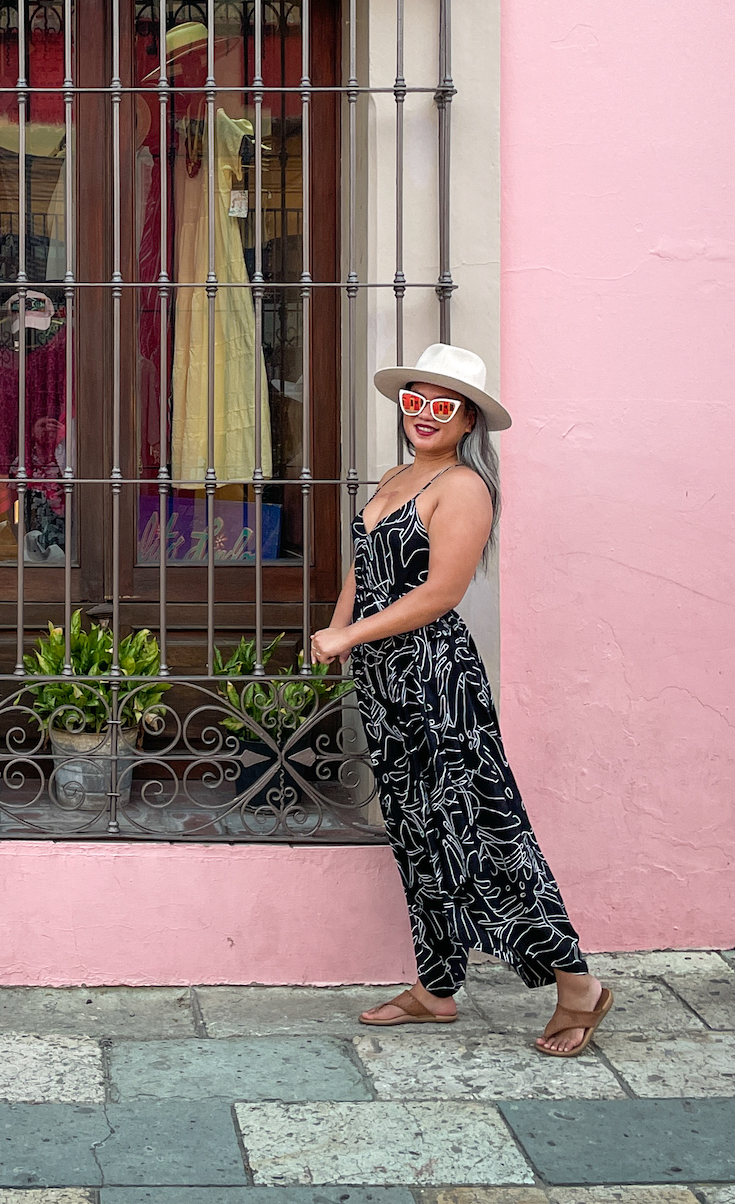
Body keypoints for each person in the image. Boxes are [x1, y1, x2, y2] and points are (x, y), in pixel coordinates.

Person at [310, 343, 612, 1058]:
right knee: (417, 829)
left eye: (442, 404)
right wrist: (339, 630)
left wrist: (352, 632)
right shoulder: (394, 479)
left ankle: (578, 987)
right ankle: (436, 987)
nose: (424, 413)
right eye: (414, 399)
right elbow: (364, 566)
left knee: (481, 827)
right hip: (383, 680)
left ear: (468, 418)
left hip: (437, 679)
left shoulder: (463, 488)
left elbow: (440, 595)